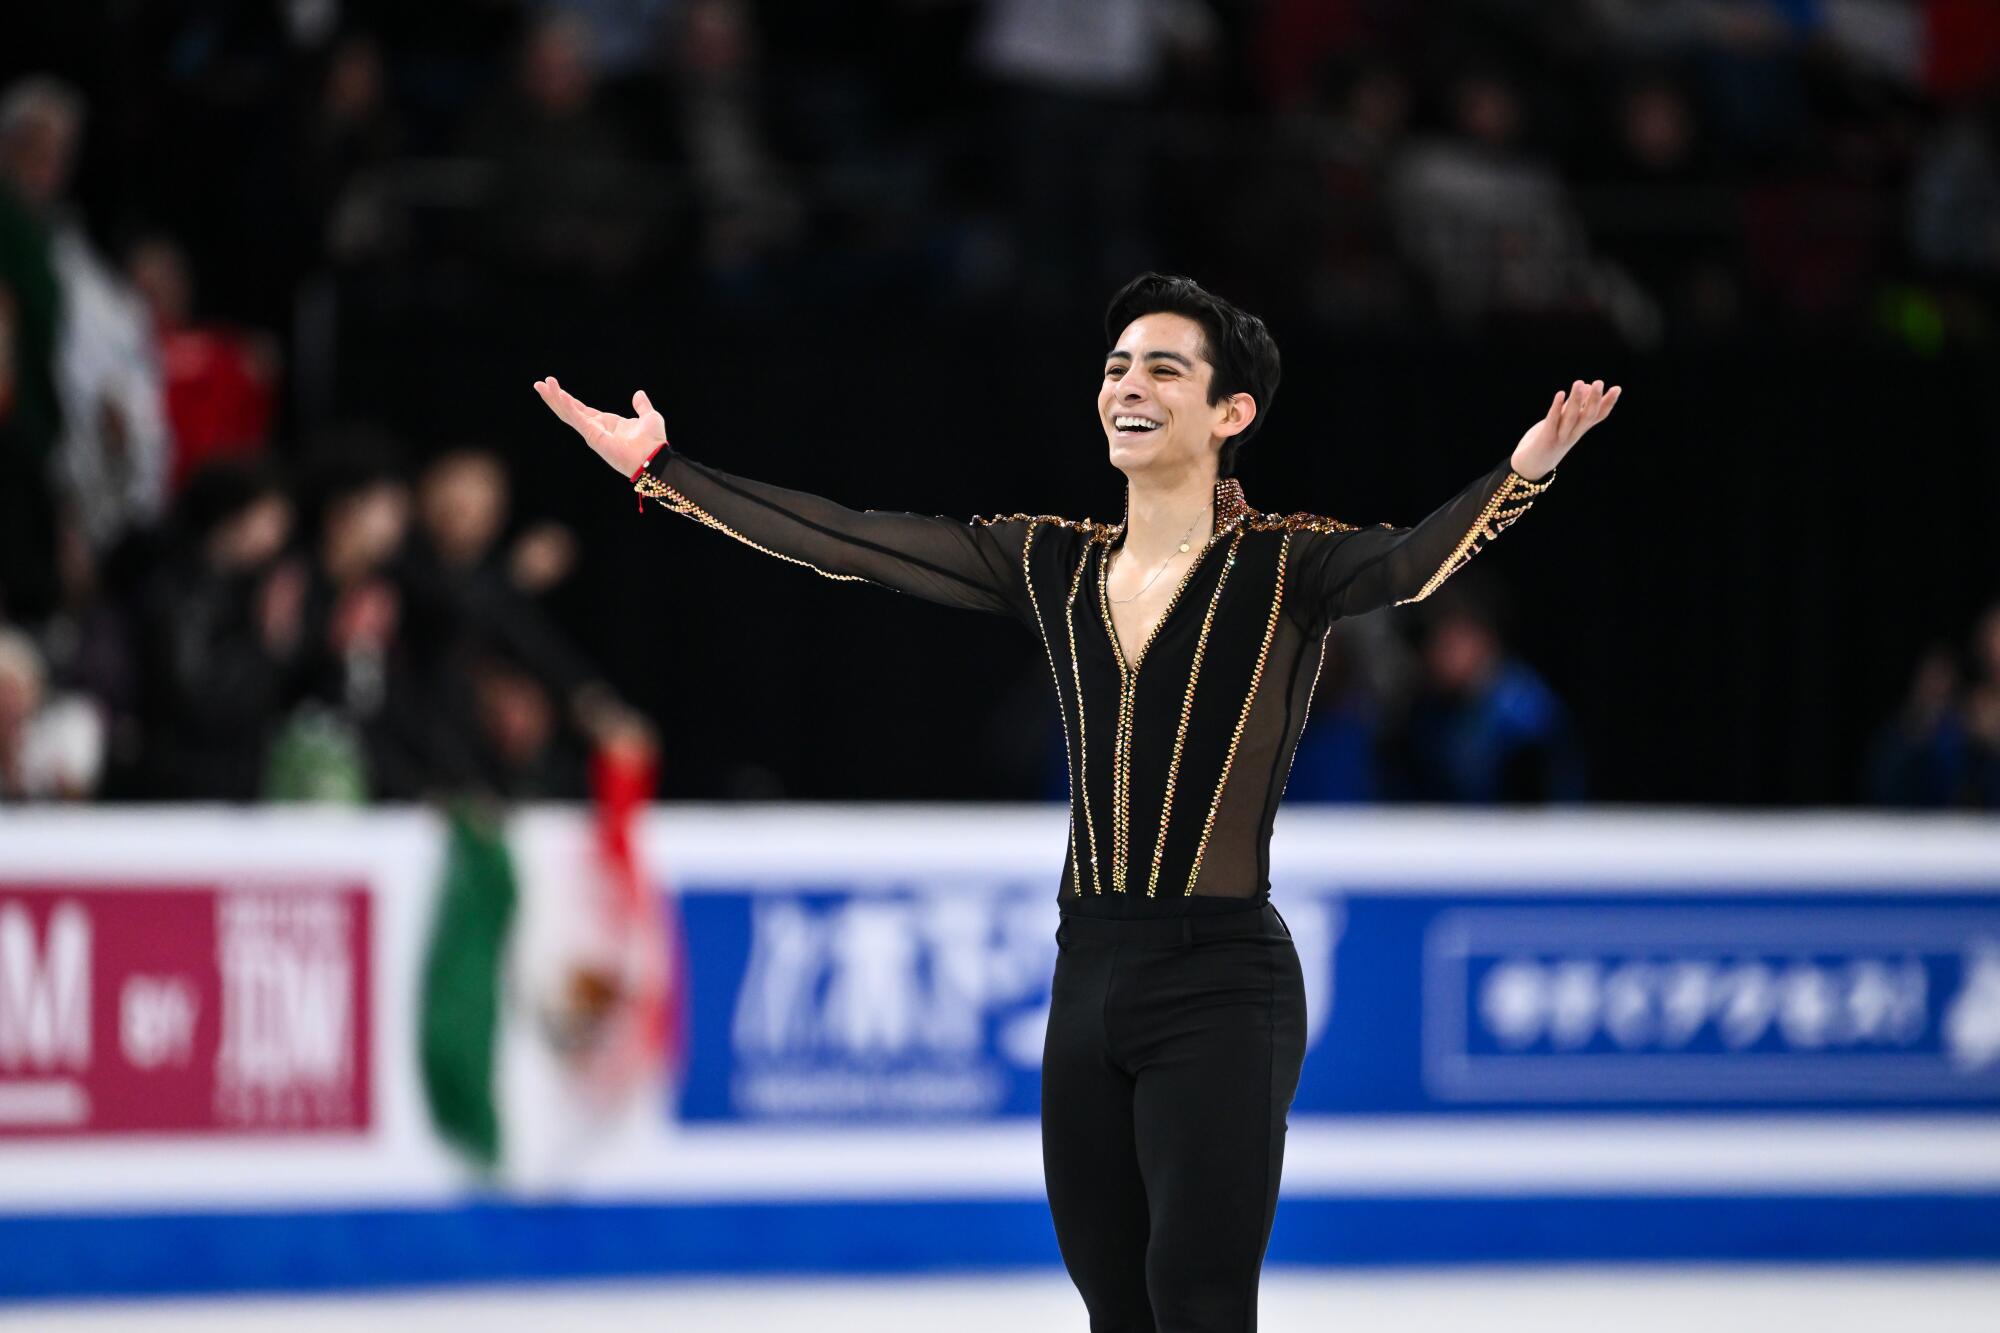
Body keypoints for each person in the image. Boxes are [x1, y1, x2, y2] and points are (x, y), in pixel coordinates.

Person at [534, 272, 1620, 1330]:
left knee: (1197, 1303)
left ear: (1228, 411)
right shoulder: (1049, 561)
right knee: (1115, 1306)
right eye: (1113, 367)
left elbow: (1415, 563)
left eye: (1161, 367)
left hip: (1223, 982)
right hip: (1088, 972)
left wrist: (1523, 470)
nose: (1126, 385)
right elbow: (846, 540)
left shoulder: (1291, 566)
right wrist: (664, 470)